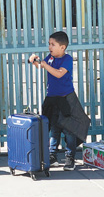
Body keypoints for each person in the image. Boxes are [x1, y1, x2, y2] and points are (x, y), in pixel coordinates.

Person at [28, 31, 89, 171]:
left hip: (66, 99)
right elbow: (40, 66)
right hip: (52, 98)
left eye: (53, 44)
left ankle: (70, 158)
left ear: (62, 47)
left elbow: (59, 73)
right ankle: (52, 156)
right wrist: (34, 61)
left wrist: (44, 64)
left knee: (69, 129)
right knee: (53, 128)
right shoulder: (49, 58)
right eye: (49, 44)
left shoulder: (67, 59)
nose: (50, 47)